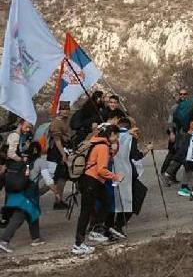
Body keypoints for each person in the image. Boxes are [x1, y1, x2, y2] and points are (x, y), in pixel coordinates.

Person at [72, 124, 123, 255]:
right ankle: (78, 244)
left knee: (106, 202)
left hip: (91, 180)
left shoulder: (96, 141)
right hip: (92, 180)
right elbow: (101, 169)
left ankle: (95, 229)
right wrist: (115, 177)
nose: (117, 138)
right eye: (116, 135)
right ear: (110, 134)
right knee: (86, 212)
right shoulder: (102, 146)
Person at [0, 120, 45, 253]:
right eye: (27, 126)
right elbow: (10, 154)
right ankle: (4, 240)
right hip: (19, 177)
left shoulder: (25, 137)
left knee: (31, 206)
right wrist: (22, 159)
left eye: (30, 127)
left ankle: (36, 238)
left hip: (21, 176)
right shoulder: (14, 136)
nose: (28, 129)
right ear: (20, 123)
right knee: (23, 209)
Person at [109, 116, 151, 237]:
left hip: (112, 172)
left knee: (116, 199)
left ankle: (110, 225)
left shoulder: (111, 136)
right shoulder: (129, 138)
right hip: (127, 173)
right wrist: (147, 150)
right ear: (130, 127)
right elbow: (135, 155)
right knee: (135, 196)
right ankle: (118, 225)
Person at [46, 102, 73, 209]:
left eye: (67, 108)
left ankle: (59, 200)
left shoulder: (65, 121)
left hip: (62, 151)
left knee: (62, 177)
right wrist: (63, 155)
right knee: (52, 177)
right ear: (60, 110)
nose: (65, 110)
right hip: (56, 153)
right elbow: (57, 141)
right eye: (63, 109)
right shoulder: (56, 123)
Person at [160, 88, 189, 183]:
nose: (183, 96)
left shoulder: (188, 106)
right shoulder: (175, 107)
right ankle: (164, 172)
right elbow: (170, 121)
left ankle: (172, 175)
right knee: (172, 153)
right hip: (175, 132)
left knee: (180, 154)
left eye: (184, 94)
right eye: (181, 94)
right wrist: (171, 133)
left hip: (183, 133)